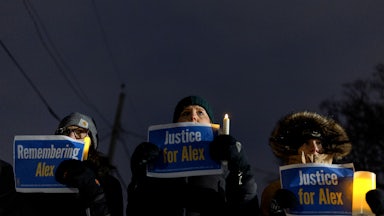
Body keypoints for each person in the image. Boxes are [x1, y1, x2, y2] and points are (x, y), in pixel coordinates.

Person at [126, 95, 260, 216]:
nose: (193, 117)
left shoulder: (225, 169)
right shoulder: (157, 171)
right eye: (186, 113)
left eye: (200, 112)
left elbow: (246, 206)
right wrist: (139, 178)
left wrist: (240, 167)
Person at [18, 112, 123, 216]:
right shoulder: (39, 182)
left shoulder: (108, 184)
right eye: (65, 132)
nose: (71, 136)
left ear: (91, 143)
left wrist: (94, 192)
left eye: (80, 132)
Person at [260, 111, 352, 216]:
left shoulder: (349, 187)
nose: (314, 148)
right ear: (295, 148)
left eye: (319, 143)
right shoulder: (275, 191)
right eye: (306, 143)